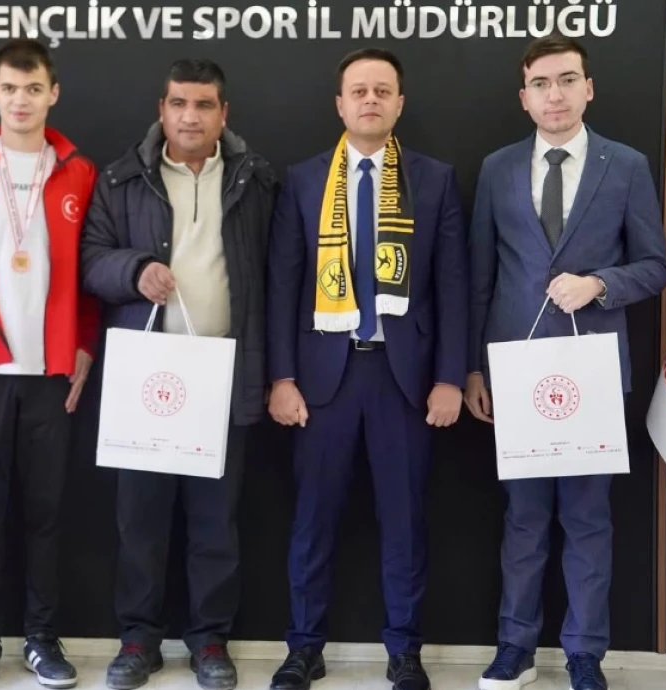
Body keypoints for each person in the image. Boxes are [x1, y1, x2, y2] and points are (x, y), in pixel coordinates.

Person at [466, 35, 666, 690]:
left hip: (593, 374)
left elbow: (656, 265)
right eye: (541, 83)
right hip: (517, 370)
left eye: (566, 80)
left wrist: (600, 284)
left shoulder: (627, 165)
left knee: (587, 518)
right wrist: (475, 369)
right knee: (523, 518)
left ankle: (585, 653)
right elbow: (479, 276)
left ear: (589, 88)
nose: (554, 94)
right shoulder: (497, 168)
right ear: (523, 97)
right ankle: (515, 647)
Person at [266, 48, 468, 690]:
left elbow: (453, 285)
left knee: (404, 522)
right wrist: (281, 377)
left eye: (383, 90)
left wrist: (450, 376)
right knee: (313, 521)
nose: (371, 100)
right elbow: (283, 284)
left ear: (400, 104)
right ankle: (304, 647)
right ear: (340, 104)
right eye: (359, 91)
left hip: (403, 380)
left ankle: (404, 651)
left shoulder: (434, 180)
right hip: (321, 379)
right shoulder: (303, 180)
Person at [80, 58, 278, 690]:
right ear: (161, 110)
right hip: (148, 377)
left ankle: (210, 640)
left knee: (216, 522)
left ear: (224, 113)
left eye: (204, 105)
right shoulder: (121, 179)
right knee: (139, 520)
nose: (190, 117)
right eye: (178, 104)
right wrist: (134, 270)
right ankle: (138, 639)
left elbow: (280, 271)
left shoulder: (256, 180)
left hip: (223, 374)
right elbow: (90, 259)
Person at [0, 38, 99, 690]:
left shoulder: (79, 171)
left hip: (51, 371)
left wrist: (84, 344)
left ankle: (40, 636)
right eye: (10, 88)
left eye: (33, 89)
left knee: (47, 514)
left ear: (52, 94)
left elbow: (90, 268)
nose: (21, 100)